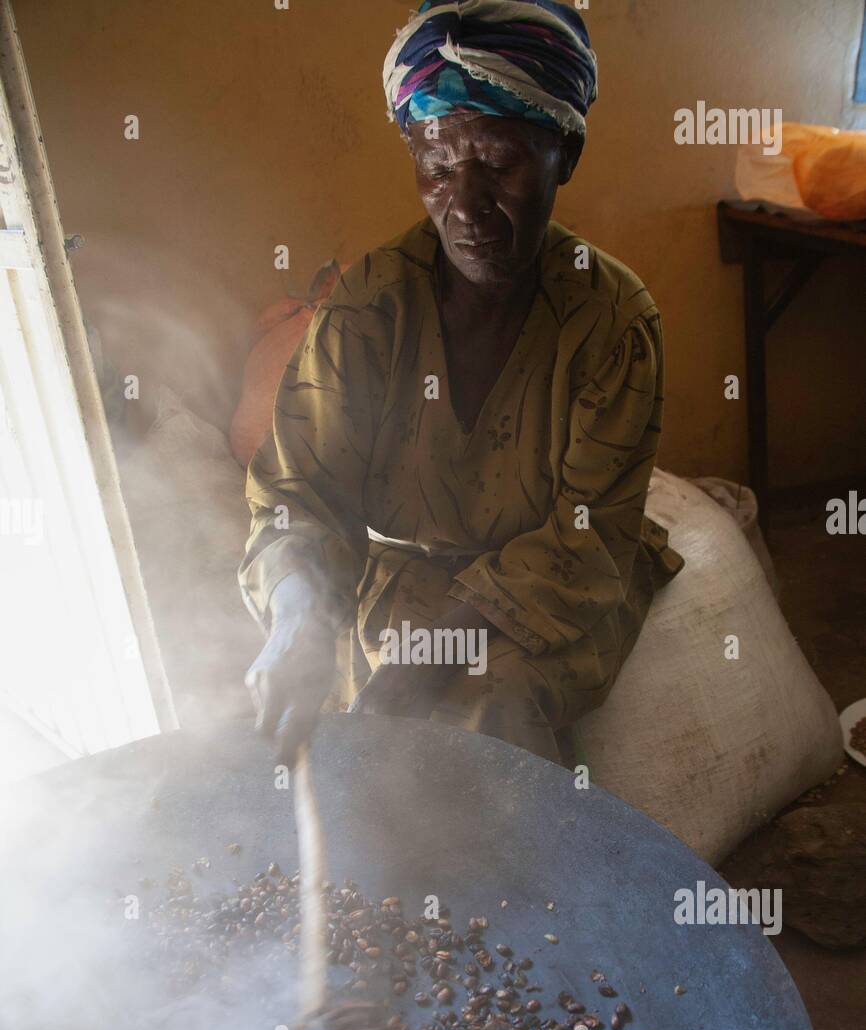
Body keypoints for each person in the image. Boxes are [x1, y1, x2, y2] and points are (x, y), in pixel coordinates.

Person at [240, 0, 683, 768]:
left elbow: (586, 536)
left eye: (501, 166)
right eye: (439, 169)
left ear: (564, 154)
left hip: (554, 581)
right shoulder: (366, 312)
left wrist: (432, 651)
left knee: (498, 709)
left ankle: (533, 882)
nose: (468, 209)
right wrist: (298, 611)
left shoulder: (612, 320)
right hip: (408, 568)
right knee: (380, 745)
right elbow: (298, 492)